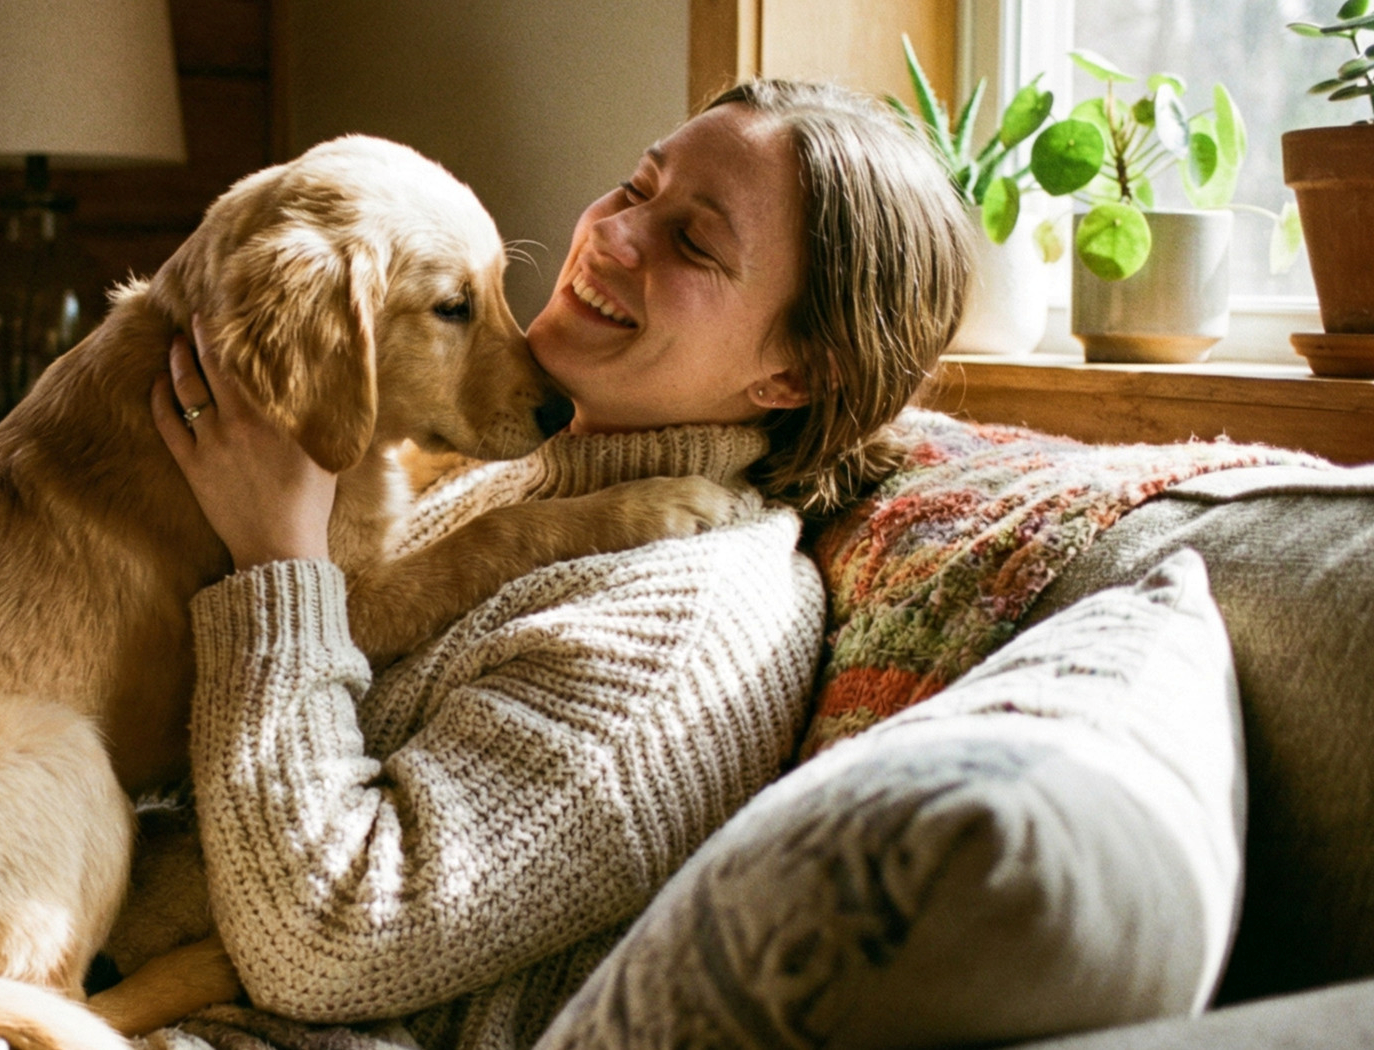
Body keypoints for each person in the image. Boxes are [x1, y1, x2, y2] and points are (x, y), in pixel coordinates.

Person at [143, 79, 974, 1050]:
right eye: (636, 187)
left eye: (693, 243)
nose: (612, 235)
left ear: (788, 374)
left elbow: (330, 944)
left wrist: (273, 561)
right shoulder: (488, 482)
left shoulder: (694, 623)